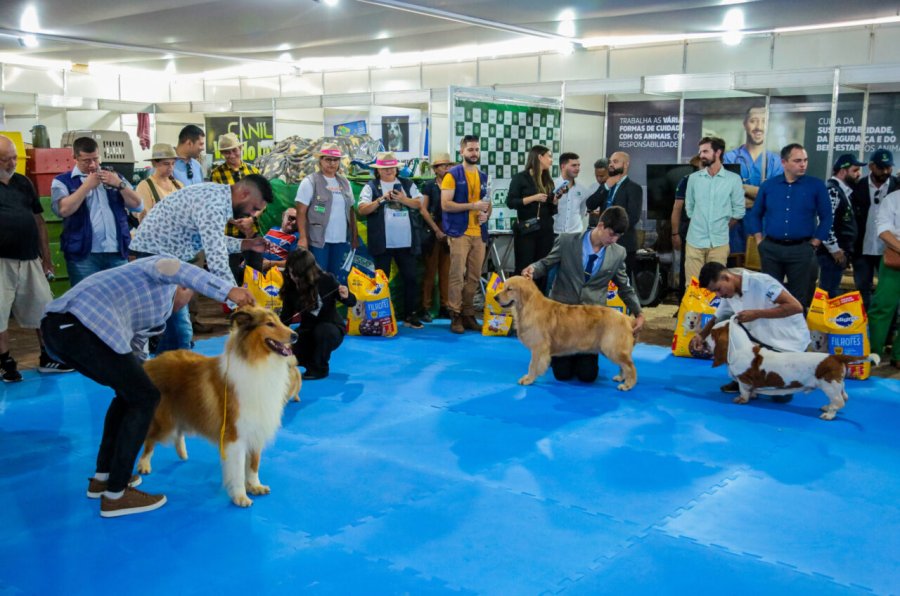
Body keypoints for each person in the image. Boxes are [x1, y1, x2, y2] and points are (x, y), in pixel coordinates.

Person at [40, 255, 255, 518]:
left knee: (131, 394)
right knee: (144, 398)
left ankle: (103, 478)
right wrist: (229, 291)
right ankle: (117, 496)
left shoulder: (157, 314)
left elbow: (137, 354)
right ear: (184, 287)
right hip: (76, 325)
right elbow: (183, 270)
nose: (183, 308)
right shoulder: (160, 270)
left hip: (66, 333)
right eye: (188, 298)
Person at [129, 175, 271, 351]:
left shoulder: (215, 196)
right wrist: (241, 303)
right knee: (179, 334)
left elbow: (212, 240)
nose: (252, 215)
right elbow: (217, 260)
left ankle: (161, 372)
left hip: (164, 258)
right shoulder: (213, 204)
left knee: (174, 333)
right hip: (155, 258)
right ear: (244, 193)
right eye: (254, 208)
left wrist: (245, 244)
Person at [522, 206, 645, 383]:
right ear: (601, 225)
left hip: (591, 324)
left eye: (618, 236)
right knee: (562, 375)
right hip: (562, 319)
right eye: (611, 234)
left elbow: (625, 287)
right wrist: (532, 270)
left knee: (587, 376)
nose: (614, 239)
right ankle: (556, 356)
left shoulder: (618, 253)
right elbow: (546, 263)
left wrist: (639, 313)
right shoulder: (566, 241)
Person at [0, 134, 72, 381]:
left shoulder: (22, 183)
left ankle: (48, 355)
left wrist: (47, 258)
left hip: (30, 258)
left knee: (43, 308)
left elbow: (39, 221)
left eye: (13, 158)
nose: (11, 164)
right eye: (5, 160)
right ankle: (5, 362)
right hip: (1, 262)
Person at [691, 262, 811, 401]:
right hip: (761, 340)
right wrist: (701, 335)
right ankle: (742, 377)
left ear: (727, 277)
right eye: (715, 292)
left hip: (789, 341)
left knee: (781, 398)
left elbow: (796, 307)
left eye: (718, 289)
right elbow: (718, 317)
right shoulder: (729, 294)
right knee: (726, 327)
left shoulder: (762, 282)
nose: (718, 295)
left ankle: (769, 376)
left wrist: (757, 313)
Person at [744, 143, 832, 311]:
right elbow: (755, 214)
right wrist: (759, 240)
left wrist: (815, 243)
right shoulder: (769, 186)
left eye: (805, 160)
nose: (803, 164)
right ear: (784, 163)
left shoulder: (816, 185)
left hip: (801, 249)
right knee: (769, 296)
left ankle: (796, 336)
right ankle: (770, 335)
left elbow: (827, 217)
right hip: (771, 248)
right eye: (798, 160)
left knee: (799, 300)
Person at [51, 137, 143, 286]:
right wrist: (87, 186)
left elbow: (138, 205)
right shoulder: (62, 181)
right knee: (84, 300)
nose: (93, 165)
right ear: (74, 158)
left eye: (96, 159)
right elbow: (63, 210)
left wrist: (119, 184)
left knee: (119, 297)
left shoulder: (115, 177)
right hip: (83, 255)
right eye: (86, 161)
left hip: (117, 252)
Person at [357, 152, 425, 328]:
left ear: (397, 169)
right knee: (380, 281)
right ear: (378, 170)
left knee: (411, 279)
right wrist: (380, 200)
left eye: (391, 167)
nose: (388, 170)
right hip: (382, 244)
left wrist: (403, 199)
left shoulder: (408, 184)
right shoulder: (370, 186)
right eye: (384, 168)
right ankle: (380, 317)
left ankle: (411, 315)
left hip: (407, 242)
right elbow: (362, 209)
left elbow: (419, 204)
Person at [441, 135, 491, 334]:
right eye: (470, 149)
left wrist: (486, 214)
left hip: (479, 234)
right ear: (461, 151)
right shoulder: (451, 175)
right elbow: (445, 204)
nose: (474, 153)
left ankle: (468, 313)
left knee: (474, 277)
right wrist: (473, 206)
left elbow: (488, 205)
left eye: (477, 149)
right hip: (459, 232)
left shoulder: (484, 176)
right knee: (456, 276)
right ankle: (455, 314)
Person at [280, 249, 356, 380]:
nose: (292, 277)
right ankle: (310, 361)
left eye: (296, 274)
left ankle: (319, 368)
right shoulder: (290, 288)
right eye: (290, 272)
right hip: (307, 331)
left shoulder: (327, 279)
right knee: (287, 356)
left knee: (323, 331)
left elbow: (351, 302)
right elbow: (285, 318)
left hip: (331, 329)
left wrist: (347, 296)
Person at [722, 106, 783, 265]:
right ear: (745, 124)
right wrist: (762, 198)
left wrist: (742, 189)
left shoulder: (775, 161)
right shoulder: (730, 158)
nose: (758, 126)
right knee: (733, 273)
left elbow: (776, 196)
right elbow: (728, 194)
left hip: (763, 229)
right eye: (753, 121)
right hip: (735, 229)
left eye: (763, 121)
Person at [684, 136, 745, 284]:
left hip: (719, 243)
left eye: (705, 151)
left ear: (718, 152)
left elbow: (738, 212)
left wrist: (722, 227)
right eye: (700, 151)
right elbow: (690, 208)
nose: (701, 155)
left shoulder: (733, 179)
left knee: (717, 286)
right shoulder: (693, 179)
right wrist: (701, 222)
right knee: (692, 286)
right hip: (694, 241)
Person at [294, 143, 358, 282]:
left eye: (335, 160)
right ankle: (317, 304)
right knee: (318, 278)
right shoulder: (310, 182)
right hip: (318, 240)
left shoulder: (345, 182)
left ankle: (331, 304)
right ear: (320, 161)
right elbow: (301, 212)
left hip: (340, 240)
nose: (332, 163)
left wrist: (354, 237)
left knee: (334, 279)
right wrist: (303, 238)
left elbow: (351, 210)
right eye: (328, 159)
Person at [210, 133, 264, 285]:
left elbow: (263, 201)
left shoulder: (253, 171)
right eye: (226, 151)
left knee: (255, 272)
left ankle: (255, 305)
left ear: (241, 148)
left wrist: (251, 219)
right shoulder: (216, 174)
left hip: (252, 230)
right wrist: (237, 222)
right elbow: (216, 204)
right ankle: (234, 306)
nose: (231, 155)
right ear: (221, 153)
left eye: (234, 150)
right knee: (230, 274)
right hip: (229, 233)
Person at [851, 148, 898, 312]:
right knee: (862, 289)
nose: (885, 171)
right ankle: (864, 327)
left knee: (888, 292)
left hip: (890, 250)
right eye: (881, 167)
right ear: (871, 166)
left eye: (888, 167)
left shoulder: (897, 187)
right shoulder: (857, 187)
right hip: (862, 248)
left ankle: (888, 330)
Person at [506, 145, 559, 292]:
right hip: (527, 231)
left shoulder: (548, 180)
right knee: (524, 267)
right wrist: (533, 198)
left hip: (546, 231)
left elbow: (551, 210)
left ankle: (540, 303)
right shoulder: (520, 178)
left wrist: (554, 202)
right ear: (539, 157)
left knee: (542, 268)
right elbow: (511, 202)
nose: (551, 160)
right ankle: (519, 302)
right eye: (549, 156)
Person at [585, 151, 642, 275]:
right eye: (610, 162)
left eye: (615, 162)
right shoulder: (606, 186)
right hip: (601, 245)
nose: (611, 164)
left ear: (626, 165)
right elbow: (590, 204)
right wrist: (605, 187)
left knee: (622, 285)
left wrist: (610, 233)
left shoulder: (634, 188)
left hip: (623, 244)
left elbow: (633, 218)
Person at [818, 153, 862, 297]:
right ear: (843, 171)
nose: (859, 174)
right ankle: (822, 320)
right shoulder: (832, 190)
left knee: (832, 291)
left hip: (838, 253)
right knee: (828, 293)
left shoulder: (843, 191)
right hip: (831, 254)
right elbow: (824, 221)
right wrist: (834, 249)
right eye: (855, 170)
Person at [419, 152, 453, 322]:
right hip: (433, 229)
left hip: (449, 229)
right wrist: (436, 230)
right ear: (435, 169)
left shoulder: (454, 185)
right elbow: (423, 209)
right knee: (430, 272)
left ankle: (445, 306)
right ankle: (425, 307)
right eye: (442, 166)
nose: (446, 168)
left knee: (446, 271)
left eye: (448, 165)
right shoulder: (429, 186)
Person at [868, 187, 900, 369]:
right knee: (882, 308)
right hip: (895, 260)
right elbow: (883, 230)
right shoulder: (893, 199)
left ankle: (898, 355)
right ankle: (873, 353)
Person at [670, 155, 702, 301]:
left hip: (713, 232)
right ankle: (684, 302)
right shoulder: (687, 180)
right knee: (686, 268)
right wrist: (675, 233)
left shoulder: (724, 180)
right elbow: (677, 208)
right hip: (689, 229)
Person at [134, 143, 183, 224]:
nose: (171, 168)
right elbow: (145, 221)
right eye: (166, 164)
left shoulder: (179, 185)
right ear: (155, 163)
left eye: (173, 163)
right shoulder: (144, 186)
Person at [554, 152, 590, 234]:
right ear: (563, 166)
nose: (578, 168)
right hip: (555, 233)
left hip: (575, 234)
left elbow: (582, 211)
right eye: (574, 165)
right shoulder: (552, 186)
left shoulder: (582, 189)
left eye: (578, 165)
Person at [586, 158, 609, 228]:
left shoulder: (616, 188)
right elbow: (587, 208)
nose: (598, 179)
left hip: (608, 227)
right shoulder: (592, 187)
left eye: (602, 176)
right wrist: (590, 211)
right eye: (596, 176)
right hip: (593, 226)